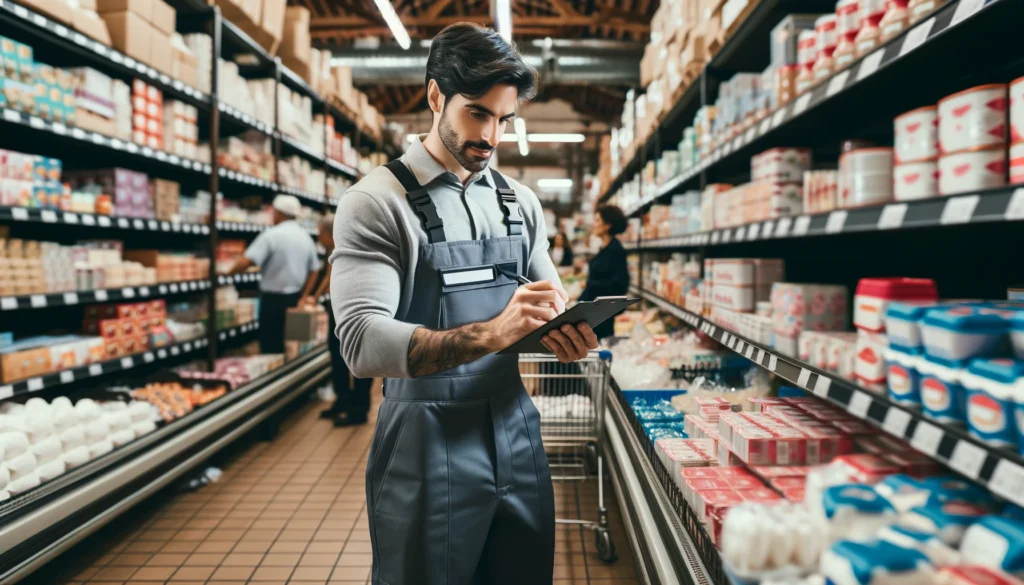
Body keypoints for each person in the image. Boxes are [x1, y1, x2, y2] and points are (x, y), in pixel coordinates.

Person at [330, 22, 598, 585]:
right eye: (477, 113)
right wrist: (491, 334)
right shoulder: (378, 202)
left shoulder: (519, 203)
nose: (491, 136)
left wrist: (566, 331)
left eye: (503, 119)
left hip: (515, 427)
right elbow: (360, 341)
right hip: (425, 437)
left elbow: (549, 299)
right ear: (435, 96)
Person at [226, 194, 320, 354]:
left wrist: (227, 273)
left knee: (271, 345)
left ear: (278, 213)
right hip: (295, 298)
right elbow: (315, 270)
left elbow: (247, 261)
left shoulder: (272, 235)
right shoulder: (305, 236)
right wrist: (305, 296)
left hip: (273, 301)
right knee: (292, 345)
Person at [302, 213, 372, 427]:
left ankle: (359, 409)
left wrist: (315, 296)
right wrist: (314, 297)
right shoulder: (336, 247)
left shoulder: (349, 244)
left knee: (358, 355)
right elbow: (329, 276)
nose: (318, 238)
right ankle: (343, 400)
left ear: (328, 232)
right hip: (339, 305)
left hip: (355, 306)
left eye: (319, 234)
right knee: (338, 353)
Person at [579, 204, 630, 340]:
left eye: (597, 220)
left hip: (603, 314)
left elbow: (620, 283)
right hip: (595, 312)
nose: (593, 224)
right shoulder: (604, 247)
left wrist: (589, 284)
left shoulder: (615, 250)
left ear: (607, 225)